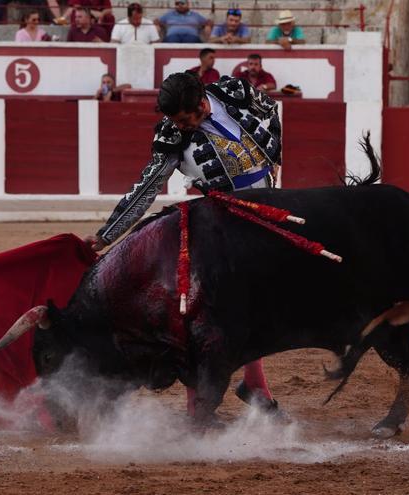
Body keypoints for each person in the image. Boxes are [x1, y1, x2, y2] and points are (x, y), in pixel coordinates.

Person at [84, 73, 284, 413]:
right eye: (177, 121)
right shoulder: (171, 133)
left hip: (267, 212)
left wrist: (275, 155)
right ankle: (205, 402)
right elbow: (147, 186)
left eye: (186, 119)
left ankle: (254, 388)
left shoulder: (234, 91)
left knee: (257, 305)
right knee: (206, 312)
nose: (183, 127)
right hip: (221, 222)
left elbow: (271, 110)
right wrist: (107, 233)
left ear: (202, 102)